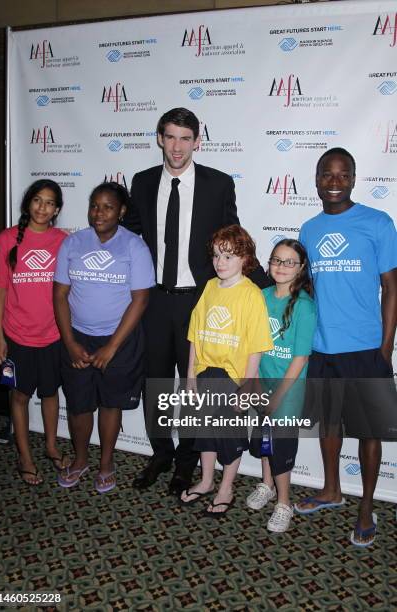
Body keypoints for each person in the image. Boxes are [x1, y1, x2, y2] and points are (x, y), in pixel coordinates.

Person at [125, 107, 270, 495]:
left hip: (201, 302)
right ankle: (160, 453)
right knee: (154, 383)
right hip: (155, 301)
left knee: (194, 388)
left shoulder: (217, 184)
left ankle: (187, 462)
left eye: (185, 138)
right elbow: (130, 236)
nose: (177, 146)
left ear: (198, 142)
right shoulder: (140, 183)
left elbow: (233, 238)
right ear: (159, 138)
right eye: (170, 136)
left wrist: (274, 287)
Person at [296, 147, 397, 546]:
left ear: (354, 179)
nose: (334, 182)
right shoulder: (309, 229)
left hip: (365, 348)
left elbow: (392, 289)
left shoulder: (378, 223)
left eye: (343, 175)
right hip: (322, 347)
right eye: (327, 174)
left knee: (368, 431)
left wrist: (385, 348)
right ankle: (331, 490)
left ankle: (366, 505)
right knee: (330, 424)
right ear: (317, 178)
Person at [53, 182, 155, 493]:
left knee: (111, 404)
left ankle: (106, 463)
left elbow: (140, 300)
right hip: (78, 338)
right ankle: (81, 459)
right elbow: (60, 295)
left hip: (119, 342)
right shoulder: (73, 243)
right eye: (94, 205)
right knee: (79, 406)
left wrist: (111, 347)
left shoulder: (134, 247)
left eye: (107, 207)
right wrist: (70, 343)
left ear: (121, 211)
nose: (99, 213)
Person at [179, 225, 273, 515]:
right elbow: (195, 334)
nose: (221, 262)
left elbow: (256, 346)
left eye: (229, 256)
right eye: (217, 255)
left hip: (232, 379)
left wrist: (245, 388)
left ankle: (226, 488)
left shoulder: (251, 294)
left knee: (228, 436)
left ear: (245, 259)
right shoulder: (209, 287)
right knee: (206, 432)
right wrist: (191, 376)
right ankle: (207, 481)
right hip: (206, 372)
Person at [0, 179, 67, 484]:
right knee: (19, 396)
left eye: (49, 203)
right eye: (37, 200)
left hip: (53, 335)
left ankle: (49, 446)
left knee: (50, 393)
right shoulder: (7, 240)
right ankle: (24, 455)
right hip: (17, 336)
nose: (42, 207)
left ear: (57, 209)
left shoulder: (63, 241)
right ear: (28, 203)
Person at [246, 239, 316, 532]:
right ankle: (267, 484)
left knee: (281, 443)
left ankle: (284, 502)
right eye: (276, 260)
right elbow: (254, 345)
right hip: (263, 381)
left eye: (289, 262)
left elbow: (300, 358)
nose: (281, 267)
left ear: (301, 268)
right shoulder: (260, 296)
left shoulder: (304, 306)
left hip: (289, 389)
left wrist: (278, 397)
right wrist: (258, 385)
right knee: (265, 436)